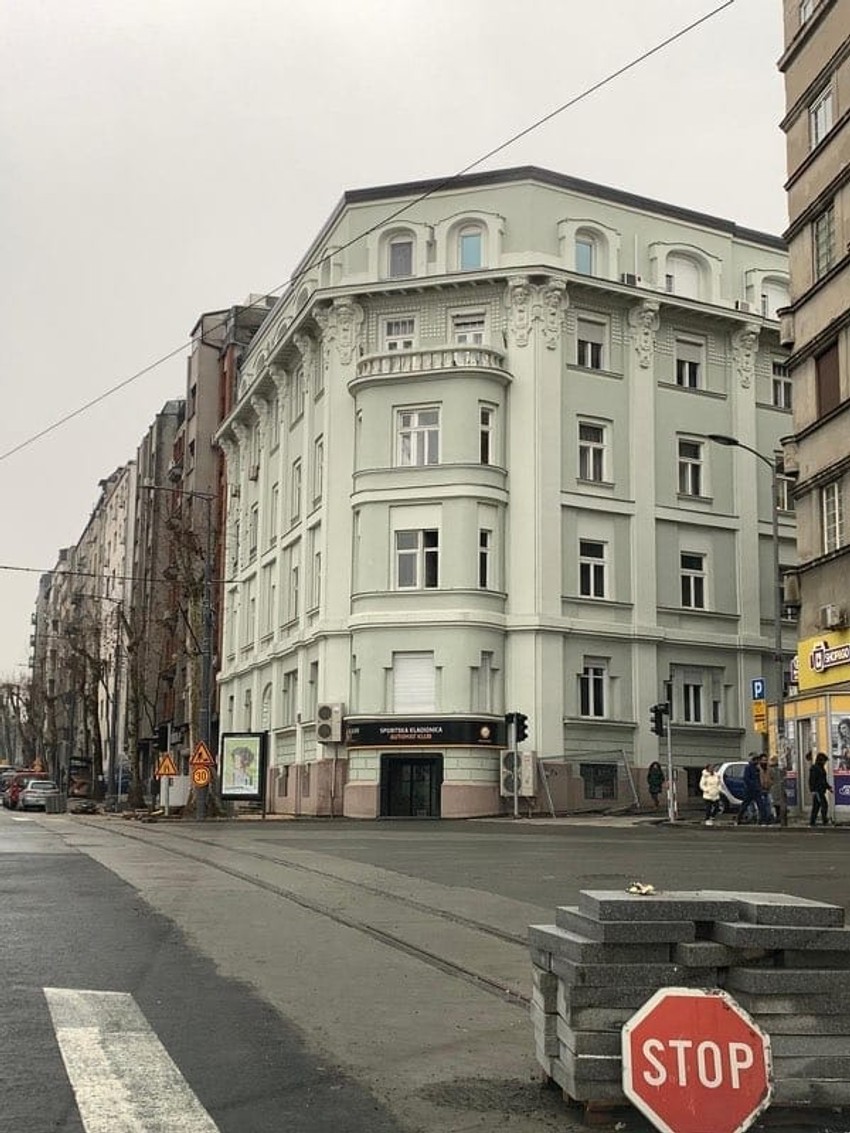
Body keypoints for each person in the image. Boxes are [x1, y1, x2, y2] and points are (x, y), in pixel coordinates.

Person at [737, 752, 770, 825]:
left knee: (761, 805)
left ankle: (763, 820)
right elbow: (746, 779)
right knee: (745, 804)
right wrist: (754, 785)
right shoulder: (748, 768)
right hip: (749, 790)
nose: (758, 761)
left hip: (757, 790)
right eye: (757, 760)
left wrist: (759, 786)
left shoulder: (757, 768)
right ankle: (739, 818)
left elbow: (759, 778)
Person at [809, 751, 832, 827]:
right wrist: (813, 790)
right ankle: (824, 820)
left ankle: (813, 821)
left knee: (817, 806)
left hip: (820, 790)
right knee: (824, 805)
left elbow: (823, 780)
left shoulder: (821, 768)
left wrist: (828, 787)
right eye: (824, 761)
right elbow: (812, 780)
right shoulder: (815, 768)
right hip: (817, 790)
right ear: (821, 760)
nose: (825, 763)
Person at [766, 755, 783, 825]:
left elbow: (769, 778)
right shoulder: (778, 769)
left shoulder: (770, 769)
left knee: (774, 803)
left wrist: (769, 784)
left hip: (774, 787)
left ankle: (776, 817)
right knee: (777, 803)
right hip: (778, 787)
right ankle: (778, 816)